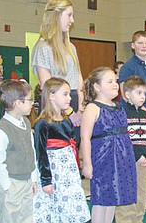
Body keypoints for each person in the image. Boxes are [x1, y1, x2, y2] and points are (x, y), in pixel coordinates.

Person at [81, 67, 137, 223]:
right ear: (97, 87)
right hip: (103, 160)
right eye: (110, 81)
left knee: (113, 197)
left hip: (120, 160)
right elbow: (85, 138)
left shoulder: (118, 107)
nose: (115, 84)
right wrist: (87, 164)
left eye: (116, 81)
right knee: (101, 198)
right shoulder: (93, 108)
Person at [33, 78, 90, 222]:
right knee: (54, 210)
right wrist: (46, 181)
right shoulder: (43, 124)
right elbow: (41, 154)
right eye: (65, 94)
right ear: (51, 96)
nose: (70, 98)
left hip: (68, 174)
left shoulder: (66, 121)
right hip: (54, 173)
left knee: (71, 209)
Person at [119, 30, 146, 205]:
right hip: (135, 113)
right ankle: (133, 188)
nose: (144, 46)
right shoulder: (128, 66)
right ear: (132, 46)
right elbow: (125, 91)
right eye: (140, 43)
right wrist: (143, 110)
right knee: (135, 149)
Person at [31, 0, 84, 146]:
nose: (72, 20)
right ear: (56, 16)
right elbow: (47, 86)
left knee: (74, 147)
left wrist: (80, 106)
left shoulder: (71, 47)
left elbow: (78, 77)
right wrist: (68, 111)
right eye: (69, 15)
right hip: (56, 105)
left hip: (73, 101)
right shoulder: (43, 48)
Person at [0, 80, 37, 222]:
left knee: (28, 217)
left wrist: (33, 178)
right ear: (17, 103)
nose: (32, 103)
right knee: (10, 218)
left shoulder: (26, 123)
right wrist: (7, 186)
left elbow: (31, 151)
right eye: (29, 100)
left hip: (27, 180)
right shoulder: (1, 130)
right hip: (12, 182)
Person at [115, 76, 146, 223]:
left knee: (142, 194)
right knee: (126, 196)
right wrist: (138, 156)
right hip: (127, 163)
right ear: (127, 95)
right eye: (138, 93)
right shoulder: (121, 113)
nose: (142, 96)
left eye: (144, 93)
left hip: (144, 163)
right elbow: (123, 140)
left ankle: (138, 220)